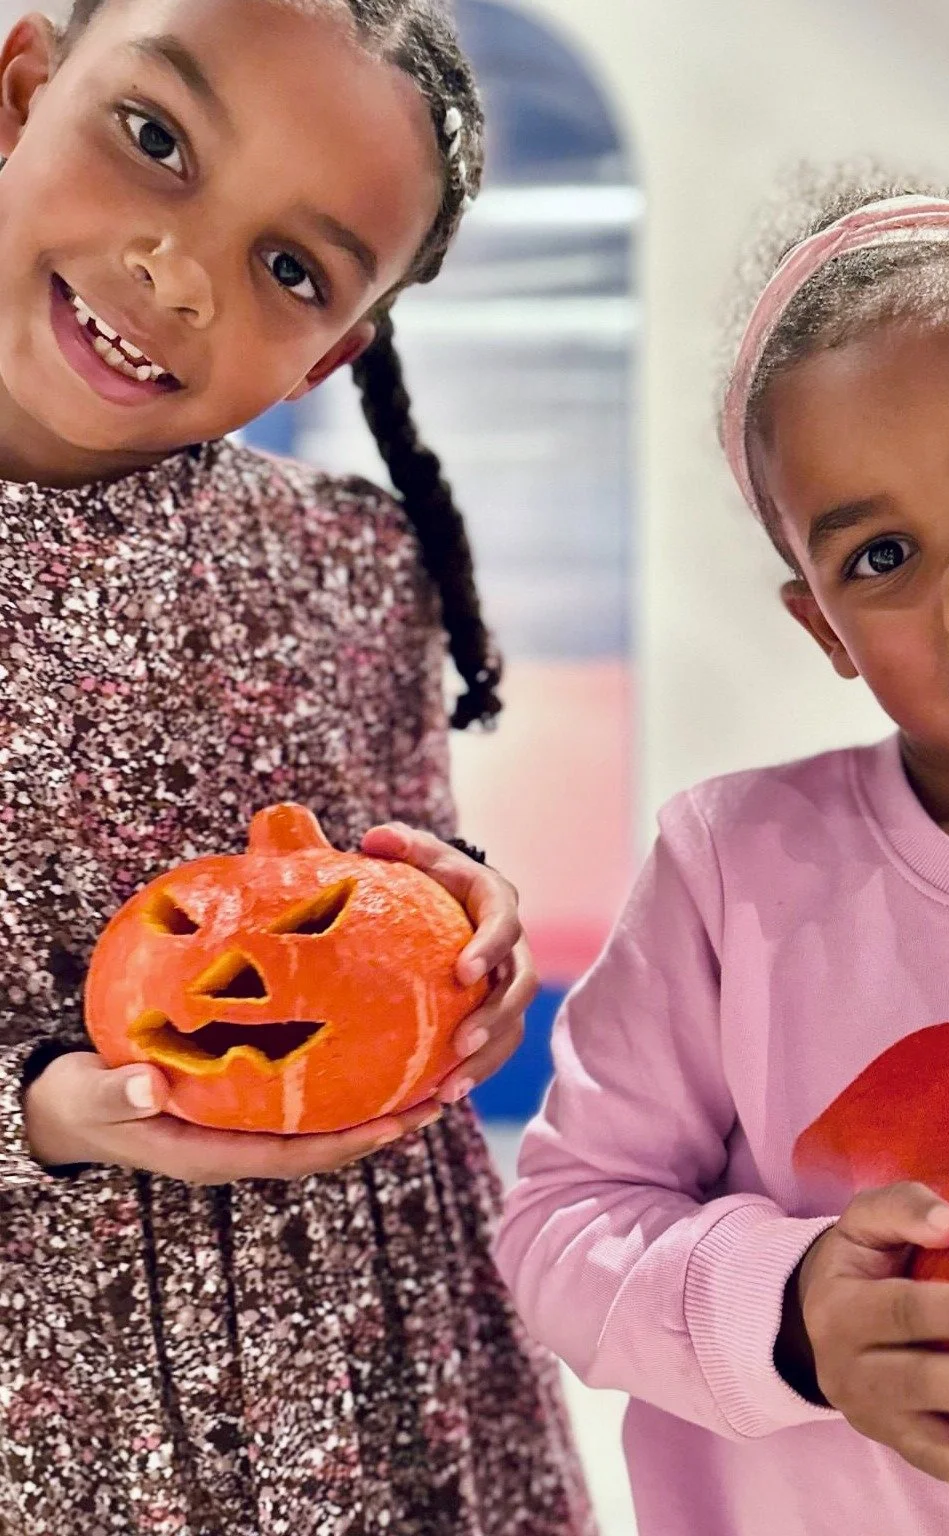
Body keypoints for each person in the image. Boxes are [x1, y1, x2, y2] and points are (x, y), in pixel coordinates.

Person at [496, 168, 949, 1535]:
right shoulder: (737, 871)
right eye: (882, 555)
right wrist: (792, 1318)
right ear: (824, 628)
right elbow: (561, 1231)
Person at [0, 1, 593, 1531]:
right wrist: (47, 1112)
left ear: (336, 345)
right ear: (19, 92)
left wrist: (470, 936)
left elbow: (386, 920)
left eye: (290, 268)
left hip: (381, 1372)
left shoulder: (358, 567)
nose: (180, 272)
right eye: (156, 141)